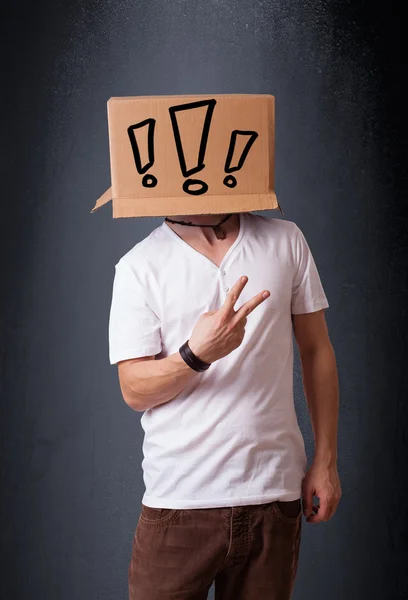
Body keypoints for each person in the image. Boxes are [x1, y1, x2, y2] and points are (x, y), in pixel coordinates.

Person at [108, 211, 342, 600]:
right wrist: (196, 354)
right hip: (180, 502)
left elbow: (317, 350)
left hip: (273, 496)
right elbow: (134, 388)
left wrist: (326, 461)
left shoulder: (285, 239)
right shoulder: (140, 264)